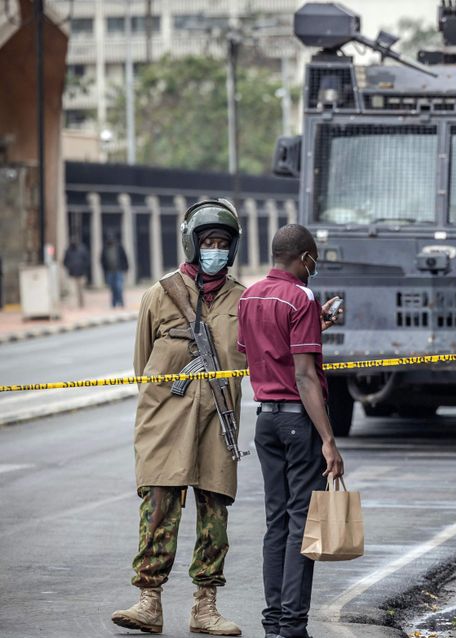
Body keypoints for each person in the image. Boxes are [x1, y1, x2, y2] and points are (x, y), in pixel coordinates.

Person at [111, 199, 246, 636]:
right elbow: (140, 364)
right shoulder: (160, 295)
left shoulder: (242, 300)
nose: (215, 250)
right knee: (158, 510)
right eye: (208, 242)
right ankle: (149, 601)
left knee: (214, 515)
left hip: (217, 425)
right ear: (192, 243)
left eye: (222, 244)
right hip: (165, 423)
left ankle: (205, 607)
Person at [237, 224, 344, 638]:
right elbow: (303, 376)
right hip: (298, 420)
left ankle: (273, 623)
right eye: (312, 259)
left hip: (265, 420)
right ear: (304, 258)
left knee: (276, 522)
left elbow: (262, 351)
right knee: (302, 521)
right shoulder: (301, 296)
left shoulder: (249, 296)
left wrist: (319, 327)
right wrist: (329, 441)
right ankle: (293, 625)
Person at [101, 233, 129, 308]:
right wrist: (104, 270)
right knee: (112, 288)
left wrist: (126, 268)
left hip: (118, 270)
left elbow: (124, 257)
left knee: (119, 287)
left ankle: (121, 302)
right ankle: (114, 303)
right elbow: (102, 260)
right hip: (110, 271)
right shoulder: (105, 248)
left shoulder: (119, 247)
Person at [63, 240, 90, 308]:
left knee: (81, 291)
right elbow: (65, 262)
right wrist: (69, 267)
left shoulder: (82, 250)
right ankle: (74, 305)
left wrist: (84, 269)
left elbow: (87, 261)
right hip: (72, 274)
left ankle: (81, 304)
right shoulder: (68, 251)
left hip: (81, 274)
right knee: (72, 291)